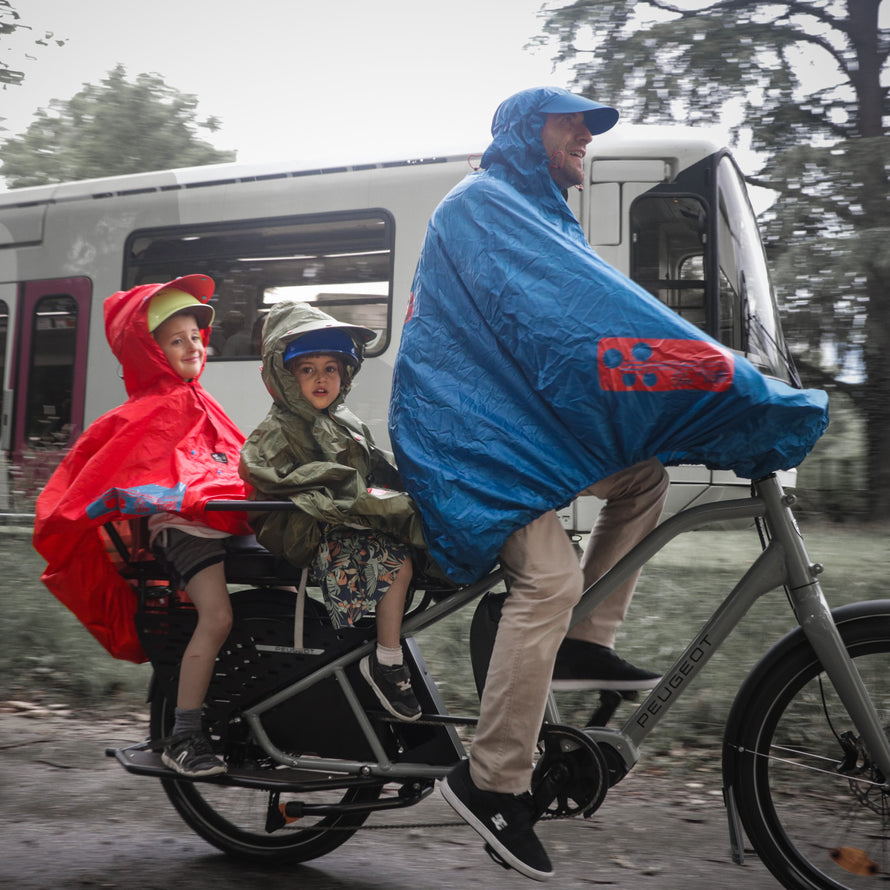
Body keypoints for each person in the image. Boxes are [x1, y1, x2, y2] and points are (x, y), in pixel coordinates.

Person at [388, 87, 829, 880]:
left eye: (589, 130)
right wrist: (715, 371)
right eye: (572, 127)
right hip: (467, 439)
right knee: (547, 578)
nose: (585, 140)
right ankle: (490, 782)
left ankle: (582, 645)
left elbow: (590, 318)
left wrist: (699, 382)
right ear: (530, 134)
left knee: (641, 479)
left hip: (510, 429)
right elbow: (579, 321)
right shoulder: (485, 207)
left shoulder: (537, 212)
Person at [33, 275, 253, 779]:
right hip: (184, 530)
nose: (193, 346)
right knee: (216, 617)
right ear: (150, 354)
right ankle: (185, 734)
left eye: (196, 336)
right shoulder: (143, 414)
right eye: (176, 341)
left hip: (216, 519)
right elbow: (125, 476)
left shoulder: (198, 399)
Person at [239, 300, 429, 721]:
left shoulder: (345, 421)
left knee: (420, 544)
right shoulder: (278, 429)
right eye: (307, 369)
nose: (321, 378)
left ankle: (371, 636)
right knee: (393, 560)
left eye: (331, 368)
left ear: (346, 374)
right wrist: (351, 493)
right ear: (285, 377)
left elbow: (378, 467)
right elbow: (275, 476)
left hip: (337, 518)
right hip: (302, 527)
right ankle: (386, 659)